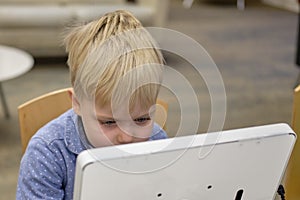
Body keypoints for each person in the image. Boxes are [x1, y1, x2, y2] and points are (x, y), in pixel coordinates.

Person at [16, 10, 167, 199]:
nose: (127, 137)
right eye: (109, 122)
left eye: (142, 119)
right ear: (76, 103)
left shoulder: (158, 141)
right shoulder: (46, 154)